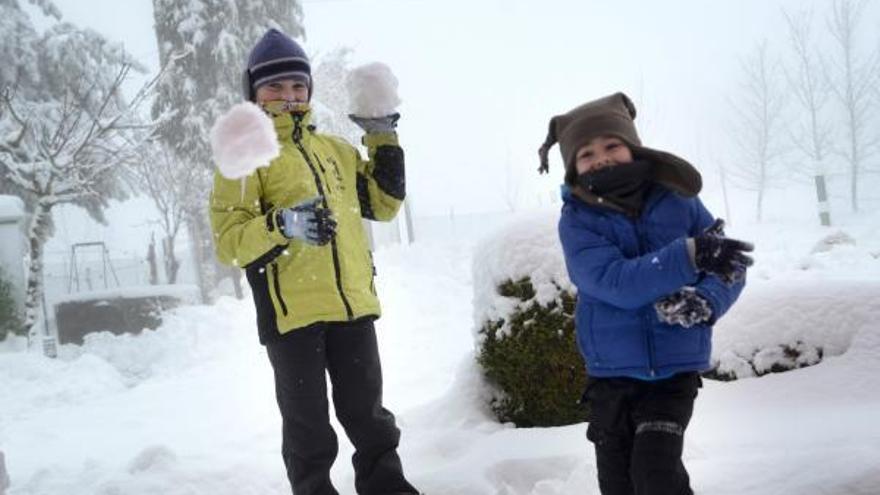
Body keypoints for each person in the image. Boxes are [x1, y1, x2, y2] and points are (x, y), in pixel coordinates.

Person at [209, 29, 419, 495]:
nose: (288, 96)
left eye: (297, 86)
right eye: (275, 87)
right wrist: (281, 225)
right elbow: (229, 242)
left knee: (369, 417)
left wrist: (383, 134)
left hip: (353, 307)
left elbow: (384, 204)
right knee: (308, 428)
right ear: (255, 93)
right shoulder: (245, 157)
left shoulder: (336, 151)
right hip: (292, 316)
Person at [539, 92, 754, 495]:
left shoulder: (681, 202)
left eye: (611, 145)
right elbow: (612, 282)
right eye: (585, 153)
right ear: (572, 167)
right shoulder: (578, 222)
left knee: (655, 474)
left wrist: (706, 301)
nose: (600, 157)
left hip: (673, 372)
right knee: (619, 484)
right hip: (611, 375)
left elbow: (730, 265)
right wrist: (687, 256)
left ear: (633, 148)